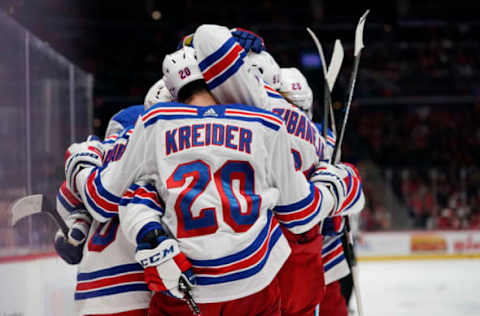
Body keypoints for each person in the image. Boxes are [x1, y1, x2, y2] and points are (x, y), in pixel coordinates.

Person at [64, 33, 364, 315]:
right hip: (266, 276)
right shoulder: (267, 122)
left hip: (177, 282)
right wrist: (337, 188)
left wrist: (82, 162)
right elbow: (302, 210)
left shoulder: (154, 122)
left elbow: (108, 199)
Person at [55, 105, 154, 316]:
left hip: (90, 292)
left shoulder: (97, 154)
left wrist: (76, 223)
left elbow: (64, 200)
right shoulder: (152, 145)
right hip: (136, 286)